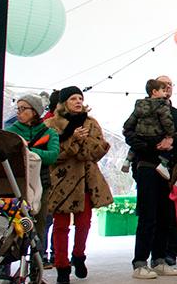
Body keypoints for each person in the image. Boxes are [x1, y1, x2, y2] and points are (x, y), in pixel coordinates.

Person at [124, 76, 177, 279]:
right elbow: (128, 131)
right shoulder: (142, 109)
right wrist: (150, 145)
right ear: (154, 90)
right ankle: (140, 262)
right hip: (147, 165)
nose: (167, 88)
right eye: (163, 85)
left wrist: (171, 140)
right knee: (148, 215)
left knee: (167, 215)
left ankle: (160, 258)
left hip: (170, 168)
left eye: (170, 85)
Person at [43, 87, 113, 284]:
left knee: (84, 224)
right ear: (64, 102)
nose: (77, 101)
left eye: (80, 98)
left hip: (86, 181)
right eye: (73, 98)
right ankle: (62, 266)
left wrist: (84, 142)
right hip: (61, 182)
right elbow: (52, 155)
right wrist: (72, 140)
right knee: (61, 226)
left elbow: (97, 151)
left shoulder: (91, 123)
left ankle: (79, 255)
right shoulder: (50, 124)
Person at [6, 93, 59, 270]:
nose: (19, 112)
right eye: (18, 108)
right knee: (17, 223)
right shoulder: (11, 132)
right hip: (17, 186)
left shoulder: (49, 132)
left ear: (35, 111)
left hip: (41, 185)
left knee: (40, 223)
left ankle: (36, 264)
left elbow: (52, 156)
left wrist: (29, 152)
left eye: (23, 108)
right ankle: (7, 264)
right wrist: (33, 153)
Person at [122, 80, 176, 177]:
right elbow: (167, 121)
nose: (165, 93)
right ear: (155, 92)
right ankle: (163, 165)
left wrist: (126, 127)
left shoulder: (140, 105)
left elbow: (132, 119)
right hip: (155, 135)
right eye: (163, 90)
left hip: (140, 134)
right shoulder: (162, 106)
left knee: (134, 148)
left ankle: (127, 160)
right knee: (167, 148)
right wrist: (170, 134)